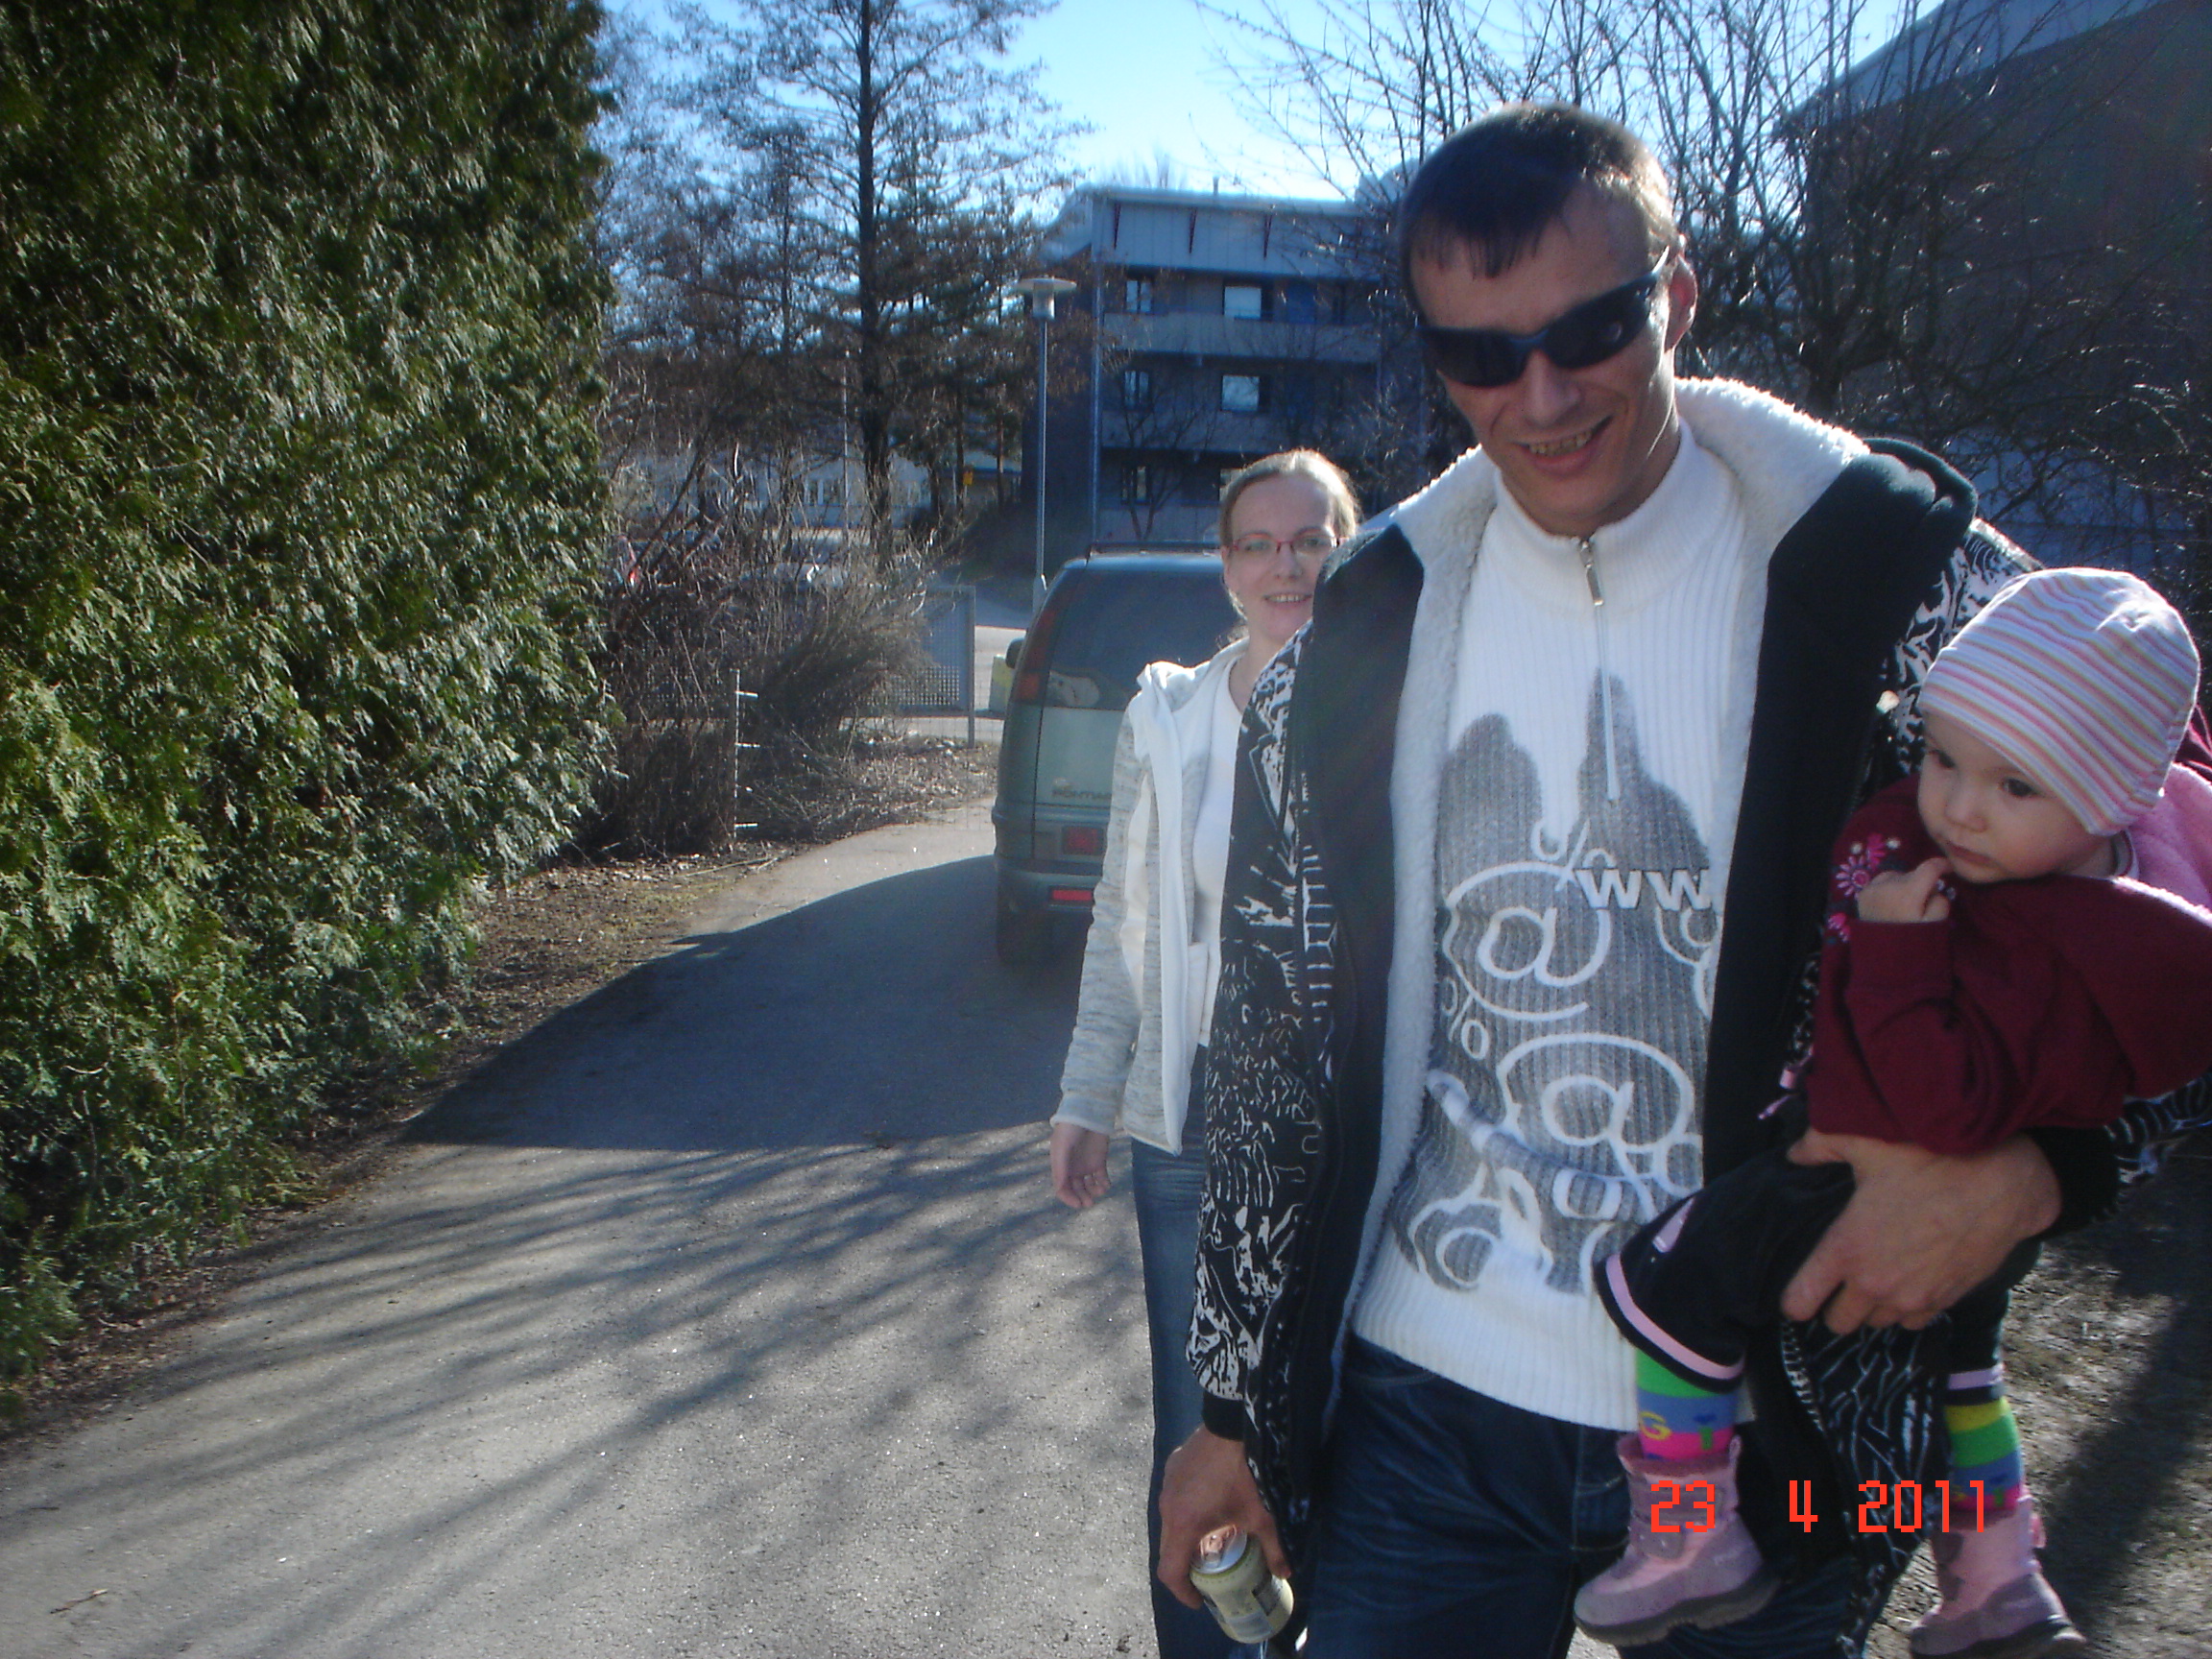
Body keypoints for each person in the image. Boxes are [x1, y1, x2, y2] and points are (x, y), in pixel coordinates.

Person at [1153, 102, 2212, 1659]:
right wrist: (1231, 1408)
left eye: (1590, 329)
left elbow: (2179, 920)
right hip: (1429, 1412)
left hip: (1793, 1419)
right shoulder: (1353, 645)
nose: (1539, 395)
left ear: (1679, 294)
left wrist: (2036, 1174)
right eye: (1480, 353)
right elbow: (1265, 1052)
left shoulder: (1910, 590)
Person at [1583, 565, 2212, 1658]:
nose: (1958, 807)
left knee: (1670, 1290)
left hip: (1850, 1173)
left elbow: (1938, 1104)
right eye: (1942, 759)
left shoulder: (2047, 932)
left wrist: (1894, 950)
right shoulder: (2100, 889)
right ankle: (1997, 1578)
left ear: (2115, 797)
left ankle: (1689, 1533)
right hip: (1949, 1225)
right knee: (1964, 1373)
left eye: (2014, 787)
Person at [1048, 449, 1361, 1659]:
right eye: (1259, 544)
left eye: (1311, 540)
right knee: (1200, 1432)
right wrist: (1088, 1096)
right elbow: (1125, 926)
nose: (1287, 566)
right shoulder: (1168, 719)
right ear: (1225, 566)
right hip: (1189, 1134)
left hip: (1345, 1140)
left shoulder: (1384, 703)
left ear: (1345, 549)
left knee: (1342, 1423)